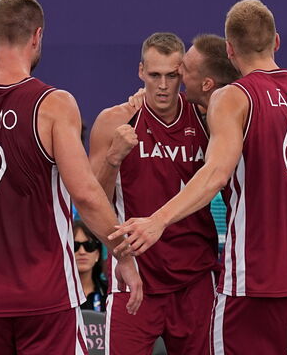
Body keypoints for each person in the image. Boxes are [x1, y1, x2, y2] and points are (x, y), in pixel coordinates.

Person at [110, 0, 287, 354]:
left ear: (230, 49)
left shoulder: (234, 97)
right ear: (276, 41)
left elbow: (215, 173)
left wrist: (157, 221)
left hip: (258, 278)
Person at [0, 0, 142, 354]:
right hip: (45, 293)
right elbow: (85, 193)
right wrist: (122, 255)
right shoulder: (53, 104)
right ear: (37, 36)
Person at [89, 32, 218, 354]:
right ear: (140, 72)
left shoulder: (207, 117)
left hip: (195, 276)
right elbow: (91, 200)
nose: (162, 85)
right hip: (136, 274)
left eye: (172, 76)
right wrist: (113, 158)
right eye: (154, 75)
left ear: (184, 76)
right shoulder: (115, 121)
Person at [74, 220, 108, 312]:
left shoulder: (109, 292)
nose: (82, 252)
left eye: (89, 245)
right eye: (74, 246)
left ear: (97, 254)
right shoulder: (55, 295)